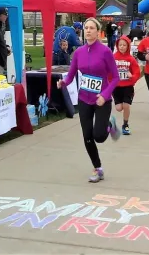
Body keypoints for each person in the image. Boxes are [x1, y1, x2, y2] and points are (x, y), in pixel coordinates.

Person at [57, 18, 120, 182]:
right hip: (84, 98)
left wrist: (105, 95)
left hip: (101, 100)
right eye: (86, 28)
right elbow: (71, 75)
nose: (88, 30)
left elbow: (115, 78)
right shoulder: (79, 52)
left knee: (99, 136)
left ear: (98, 32)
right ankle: (97, 168)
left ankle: (109, 125)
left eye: (92, 28)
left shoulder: (105, 52)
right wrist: (64, 82)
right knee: (87, 136)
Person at [112, 36, 141, 135]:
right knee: (119, 108)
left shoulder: (131, 59)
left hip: (128, 86)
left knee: (126, 105)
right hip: (116, 87)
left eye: (124, 45)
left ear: (128, 46)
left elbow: (137, 72)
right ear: (117, 46)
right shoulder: (113, 57)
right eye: (120, 45)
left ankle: (125, 125)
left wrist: (132, 77)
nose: (122, 47)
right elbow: (108, 71)